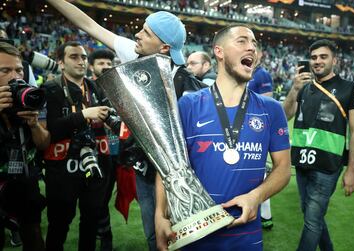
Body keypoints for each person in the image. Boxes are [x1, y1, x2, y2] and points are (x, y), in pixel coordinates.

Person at [46, 2, 205, 250]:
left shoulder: (188, 87)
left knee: (177, 238)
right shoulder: (140, 54)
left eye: (146, 33)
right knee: (153, 236)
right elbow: (89, 25)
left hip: (174, 179)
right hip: (144, 170)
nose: (137, 35)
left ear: (163, 47)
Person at [155, 24, 291, 251]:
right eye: (242, 41)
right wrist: (160, 215)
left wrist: (256, 196)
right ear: (219, 51)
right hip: (193, 233)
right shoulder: (188, 105)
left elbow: (284, 169)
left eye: (255, 44)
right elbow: (169, 167)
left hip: (245, 236)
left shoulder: (271, 109)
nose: (252, 49)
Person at [284, 39, 354, 251]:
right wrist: (294, 89)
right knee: (312, 215)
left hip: (328, 165)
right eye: (313, 57)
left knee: (312, 220)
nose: (317, 61)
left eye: (323, 57)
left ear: (334, 60)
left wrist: (352, 170)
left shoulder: (350, 88)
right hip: (301, 161)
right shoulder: (303, 87)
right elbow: (285, 116)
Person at [42, 41, 112, 251]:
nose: (81, 61)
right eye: (74, 57)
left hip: (94, 163)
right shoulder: (50, 89)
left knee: (91, 222)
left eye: (83, 57)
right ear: (61, 63)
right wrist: (83, 115)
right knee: (59, 225)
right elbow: (50, 131)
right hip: (62, 168)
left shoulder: (95, 87)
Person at [0, 42, 49, 251]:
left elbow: (44, 143)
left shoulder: (28, 98)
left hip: (24, 180)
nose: (15, 76)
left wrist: (34, 124)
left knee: (34, 236)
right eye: (5, 70)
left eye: (19, 69)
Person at [88, 48, 117, 251]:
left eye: (109, 63)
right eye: (101, 63)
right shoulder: (86, 88)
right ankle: (104, 234)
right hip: (93, 151)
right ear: (92, 66)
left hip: (116, 152)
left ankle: (103, 233)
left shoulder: (119, 87)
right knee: (95, 199)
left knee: (104, 196)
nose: (106, 67)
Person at [247, 42, 274, 230]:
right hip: (244, 128)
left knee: (259, 175)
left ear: (261, 55)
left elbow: (268, 102)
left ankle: (266, 216)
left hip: (255, 128)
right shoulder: (246, 72)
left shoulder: (262, 74)